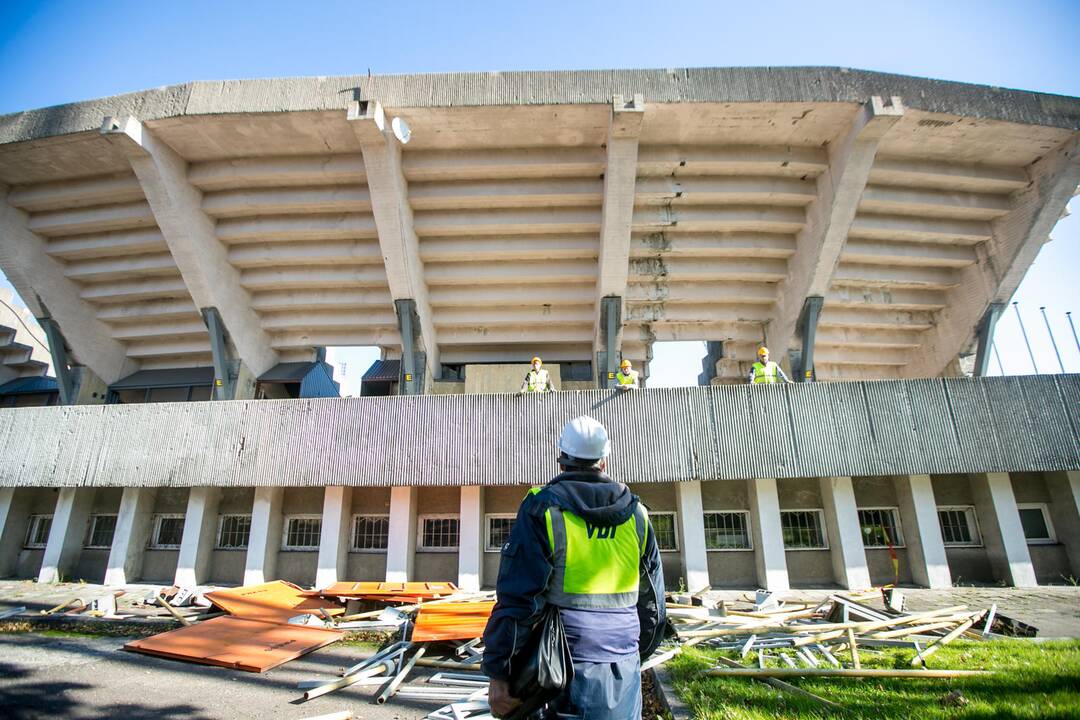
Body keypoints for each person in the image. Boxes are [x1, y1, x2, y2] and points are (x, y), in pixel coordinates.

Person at [482, 416, 666, 719]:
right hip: (624, 665)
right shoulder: (638, 515)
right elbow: (654, 603)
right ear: (604, 461)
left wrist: (499, 672)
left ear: (562, 461)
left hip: (560, 671)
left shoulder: (544, 508)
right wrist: (634, 653)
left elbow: (519, 600)